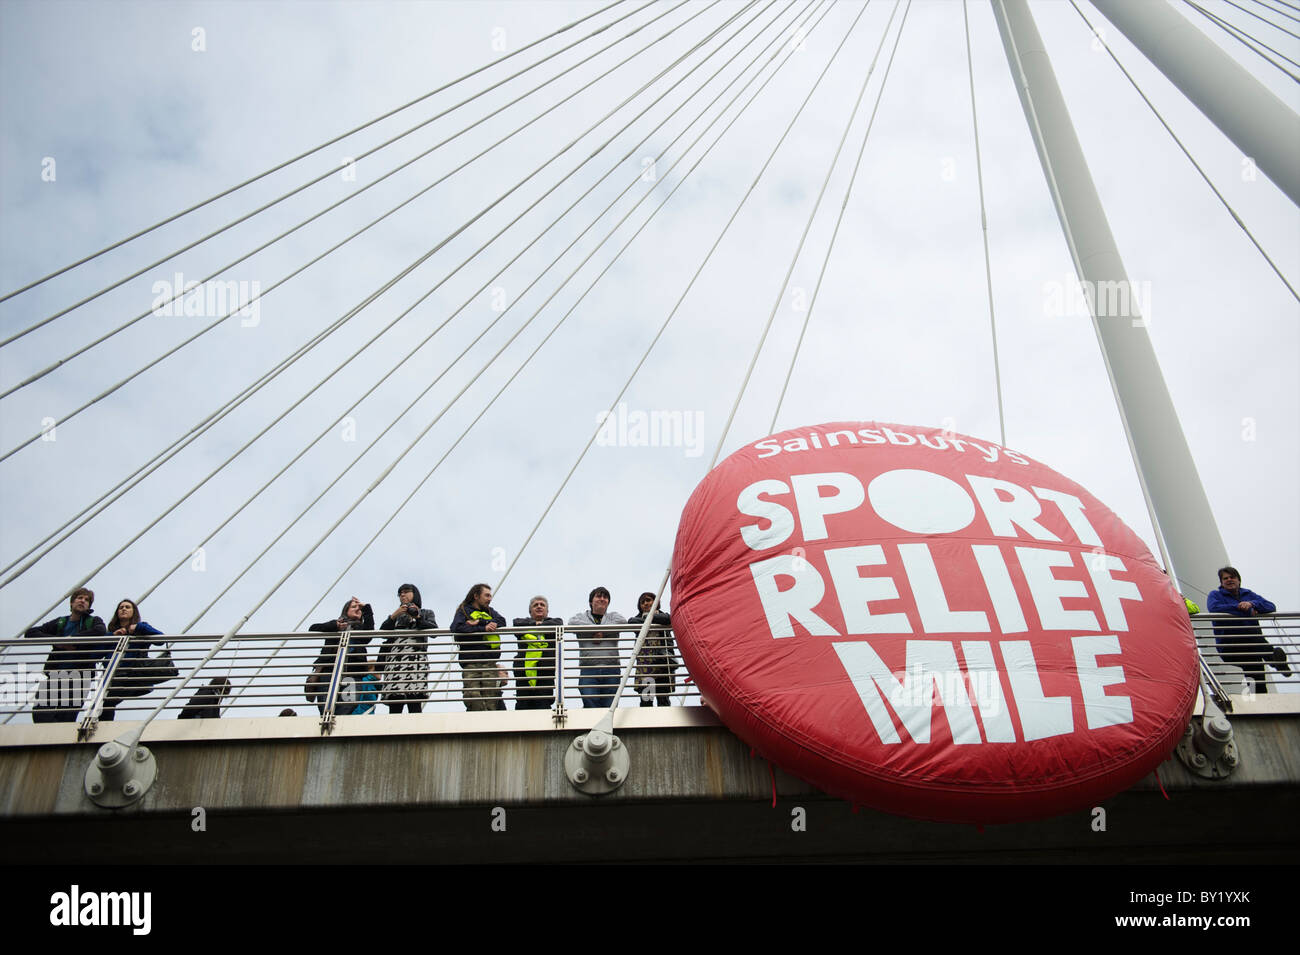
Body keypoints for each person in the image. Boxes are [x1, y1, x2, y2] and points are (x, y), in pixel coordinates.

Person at [24, 587, 109, 723]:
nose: (83, 601)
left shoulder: (93, 621)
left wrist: (73, 639)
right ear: (71, 603)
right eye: (79, 598)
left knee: (66, 718)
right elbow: (30, 633)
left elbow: (100, 631)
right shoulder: (61, 622)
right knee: (40, 714)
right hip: (55, 675)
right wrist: (58, 642)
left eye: (87, 600)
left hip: (79, 677)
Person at [1207, 566, 1289, 695]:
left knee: (1255, 669)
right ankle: (1274, 659)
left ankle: (1260, 702)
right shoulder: (1215, 595)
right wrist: (1244, 609)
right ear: (1221, 582)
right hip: (1230, 645)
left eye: (1232, 577)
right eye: (1225, 578)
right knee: (1252, 641)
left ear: (1239, 580)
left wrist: (1252, 604)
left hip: (1252, 646)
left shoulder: (1248, 594)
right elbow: (1215, 608)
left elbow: (1270, 606)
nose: (1229, 580)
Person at [100, 598, 174, 721]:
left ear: (134, 612)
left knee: (107, 701)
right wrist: (113, 636)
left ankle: (103, 727)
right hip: (110, 673)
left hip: (130, 672)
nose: (123, 609)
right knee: (104, 702)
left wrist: (139, 628)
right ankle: (102, 725)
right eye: (121, 607)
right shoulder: (111, 633)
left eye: (127, 607)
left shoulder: (141, 627)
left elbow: (161, 640)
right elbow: (97, 650)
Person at [306, 597, 375, 714]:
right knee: (326, 706)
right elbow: (313, 628)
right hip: (329, 671)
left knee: (348, 706)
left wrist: (366, 609)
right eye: (354, 607)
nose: (358, 609)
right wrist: (335, 626)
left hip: (352, 673)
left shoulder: (361, 629)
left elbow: (369, 635)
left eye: (359, 609)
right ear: (346, 610)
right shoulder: (336, 625)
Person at [377, 583, 437, 714]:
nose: (402, 595)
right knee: (395, 703)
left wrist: (418, 617)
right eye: (400, 593)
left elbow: (434, 632)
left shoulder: (426, 612)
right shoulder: (397, 615)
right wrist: (394, 616)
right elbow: (382, 633)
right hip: (396, 661)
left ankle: (416, 732)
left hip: (415, 660)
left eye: (406, 591)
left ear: (415, 593)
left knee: (414, 702)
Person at [567, 587, 626, 709]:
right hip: (589, 670)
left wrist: (602, 633)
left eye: (605, 597)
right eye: (599, 596)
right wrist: (595, 630)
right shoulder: (581, 616)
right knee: (589, 701)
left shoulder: (613, 616)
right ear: (591, 602)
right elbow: (572, 623)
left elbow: (623, 622)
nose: (602, 599)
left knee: (610, 707)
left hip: (612, 670)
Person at [451, 583, 507, 711]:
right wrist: (483, 628)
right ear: (476, 596)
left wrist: (482, 622)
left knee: (490, 698)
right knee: (472, 695)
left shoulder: (490, 611)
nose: (490, 598)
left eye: (490, 596)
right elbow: (456, 627)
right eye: (486, 595)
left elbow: (502, 621)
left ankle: (489, 726)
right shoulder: (463, 610)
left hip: (489, 662)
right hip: (471, 662)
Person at [628, 591, 677, 707]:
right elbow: (631, 622)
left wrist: (649, 617)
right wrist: (650, 618)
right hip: (646, 667)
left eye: (649, 600)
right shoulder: (637, 619)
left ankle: (665, 724)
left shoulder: (664, 616)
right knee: (646, 700)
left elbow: (668, 619)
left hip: (662, 663)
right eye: (642, 602)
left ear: (656, 602)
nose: (645, 603)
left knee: (663, 699)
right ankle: (646, 724)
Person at [512, 595, 561, 711]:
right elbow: (516, 623)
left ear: (547, 611)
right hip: (524, 670)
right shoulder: (522, 622)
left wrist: (539, 626)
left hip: (545, 670)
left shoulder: (553, 622)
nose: (539, 607)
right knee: (523, 703)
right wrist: (535, 625)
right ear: (530, 611)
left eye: (542, 605)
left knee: (543, 703)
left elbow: (559, 623)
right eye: (535, 605)